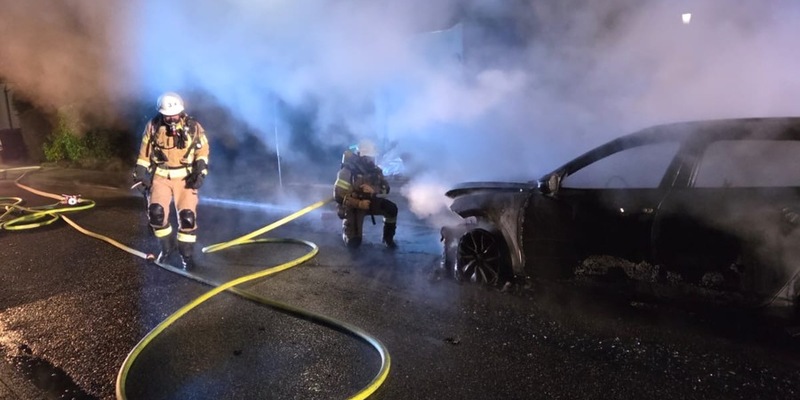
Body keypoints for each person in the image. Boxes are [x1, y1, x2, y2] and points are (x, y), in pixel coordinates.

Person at [132, 92, 210, 269]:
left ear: (181, 111)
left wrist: (200, 170)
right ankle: (167, 248)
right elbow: (144, 153)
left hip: (185, 177)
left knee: (187, 218)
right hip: (161, 177)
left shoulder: (193, 127)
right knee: (156, 214)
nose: (172, 119)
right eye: (167, 116)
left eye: (174, 115)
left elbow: (203, 150)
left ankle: (187, 257)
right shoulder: (153, 126)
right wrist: (140, 173)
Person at [334, 140, 398, 249]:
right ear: (361, 157)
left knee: (391, 209)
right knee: (353, 244)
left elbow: (386, 189)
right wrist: (359, 204)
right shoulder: (347, 172)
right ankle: (348, 232)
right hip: (352, 206)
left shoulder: (375, 171)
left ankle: (388, 238)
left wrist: (374, 190)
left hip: (369, 202)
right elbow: (339, 197)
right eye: (370, 157)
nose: (372, 159)